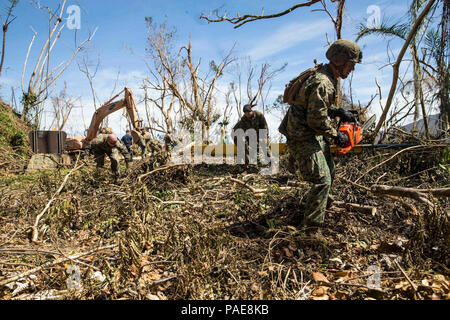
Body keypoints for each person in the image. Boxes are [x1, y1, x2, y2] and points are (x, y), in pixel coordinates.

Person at [279, 39, 362, 227]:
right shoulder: (323, 81)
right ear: (339, 61)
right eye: (351, 65)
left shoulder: (326, 75)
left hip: (311, 133)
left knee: (329, 171)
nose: (352, 69)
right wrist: (336, 136)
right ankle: (311, 229)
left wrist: (337, 111)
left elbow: (317, 106)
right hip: (302, 135)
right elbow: (315, 119)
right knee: (323, 180)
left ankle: (324, 207)